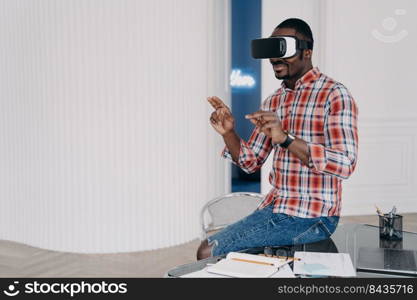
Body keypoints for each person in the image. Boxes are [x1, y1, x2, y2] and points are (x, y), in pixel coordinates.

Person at [197, 18, 359, 260]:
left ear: (307, 52)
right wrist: (229, 132)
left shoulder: (334, 95)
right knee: (219, 250)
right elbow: (250, 162)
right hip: (275, 207)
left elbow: (345, 164)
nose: (274, 59)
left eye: (283, 49)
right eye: (272, 51)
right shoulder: (274, 101)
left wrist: (285, 139)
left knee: (208, 251)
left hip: (314, 216)